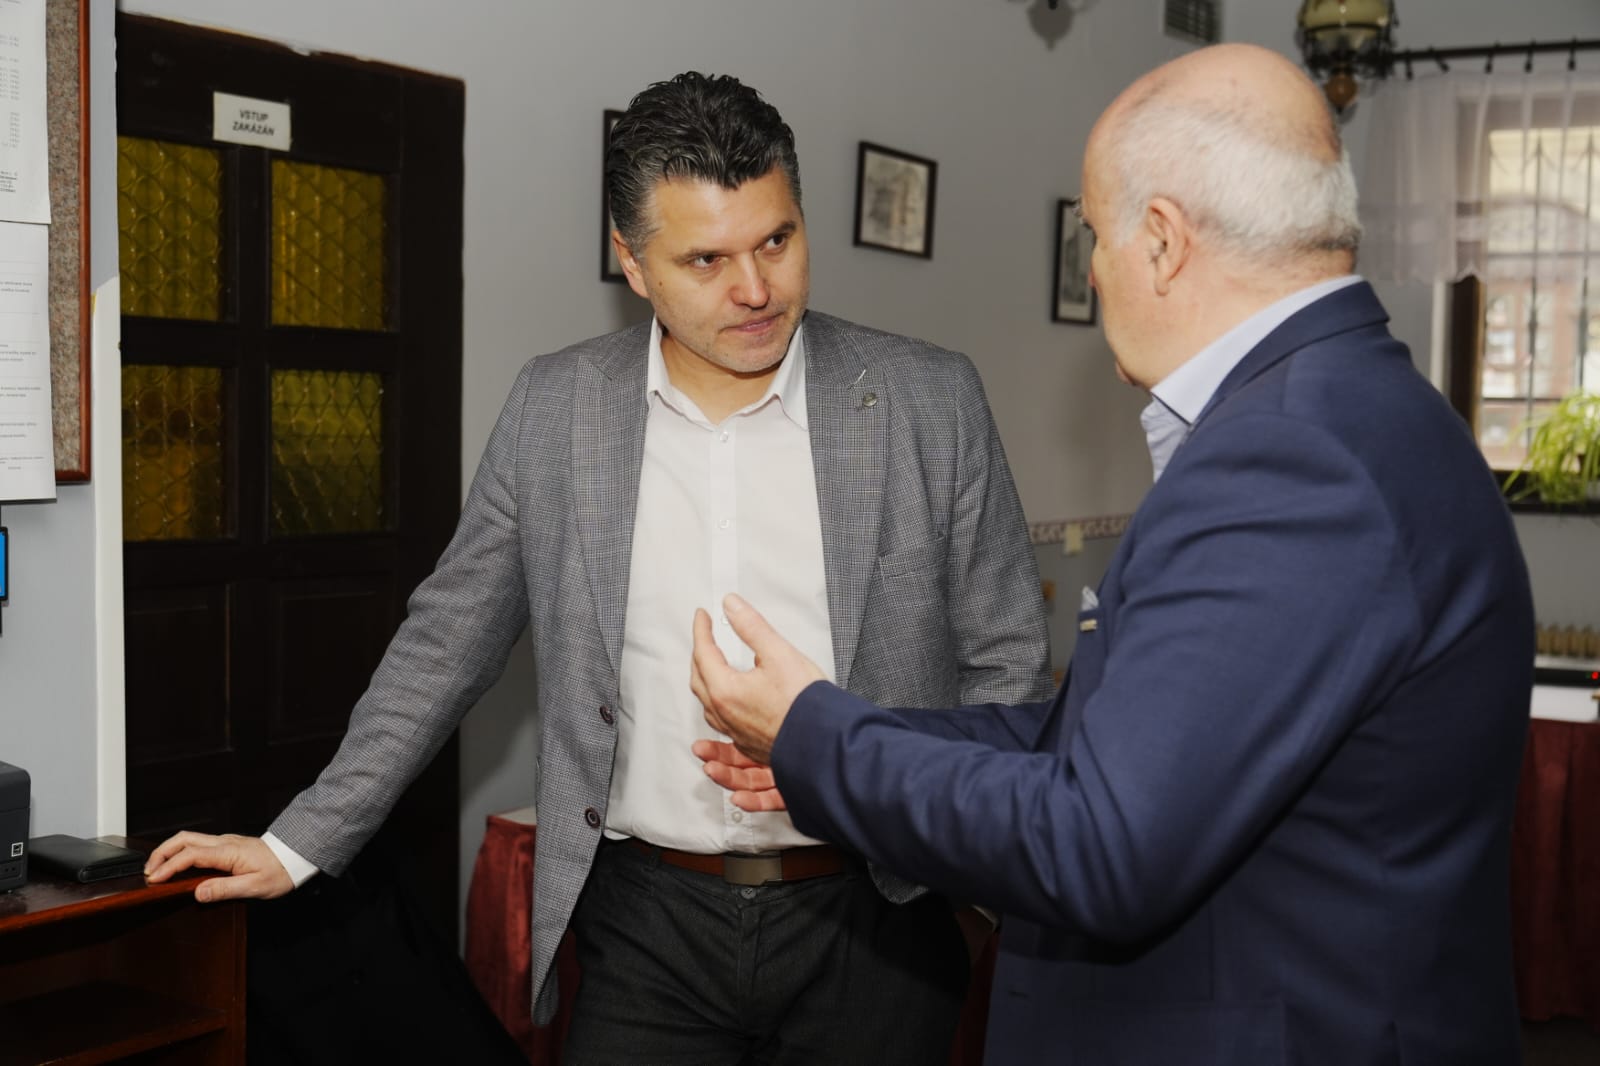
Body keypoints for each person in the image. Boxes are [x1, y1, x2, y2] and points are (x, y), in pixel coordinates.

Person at [145, 71, 1053, 1065]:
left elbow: (1005, 660)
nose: (755, 288)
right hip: (647, 921)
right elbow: (446, 640)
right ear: (632, 261)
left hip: (878, 915)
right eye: (705, 259)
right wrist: (299, 841)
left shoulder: (929, 400)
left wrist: (969, 881)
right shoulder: (556, 408)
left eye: (776, 241)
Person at [690, 44, 1535, 1066]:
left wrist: (814, 735)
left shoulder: (1290, 458)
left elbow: (1101, 840)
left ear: (1164, 242)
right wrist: (836, 731)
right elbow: (1101, 737)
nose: (1090, 270)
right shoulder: (1363, 411)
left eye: (1095, 234)